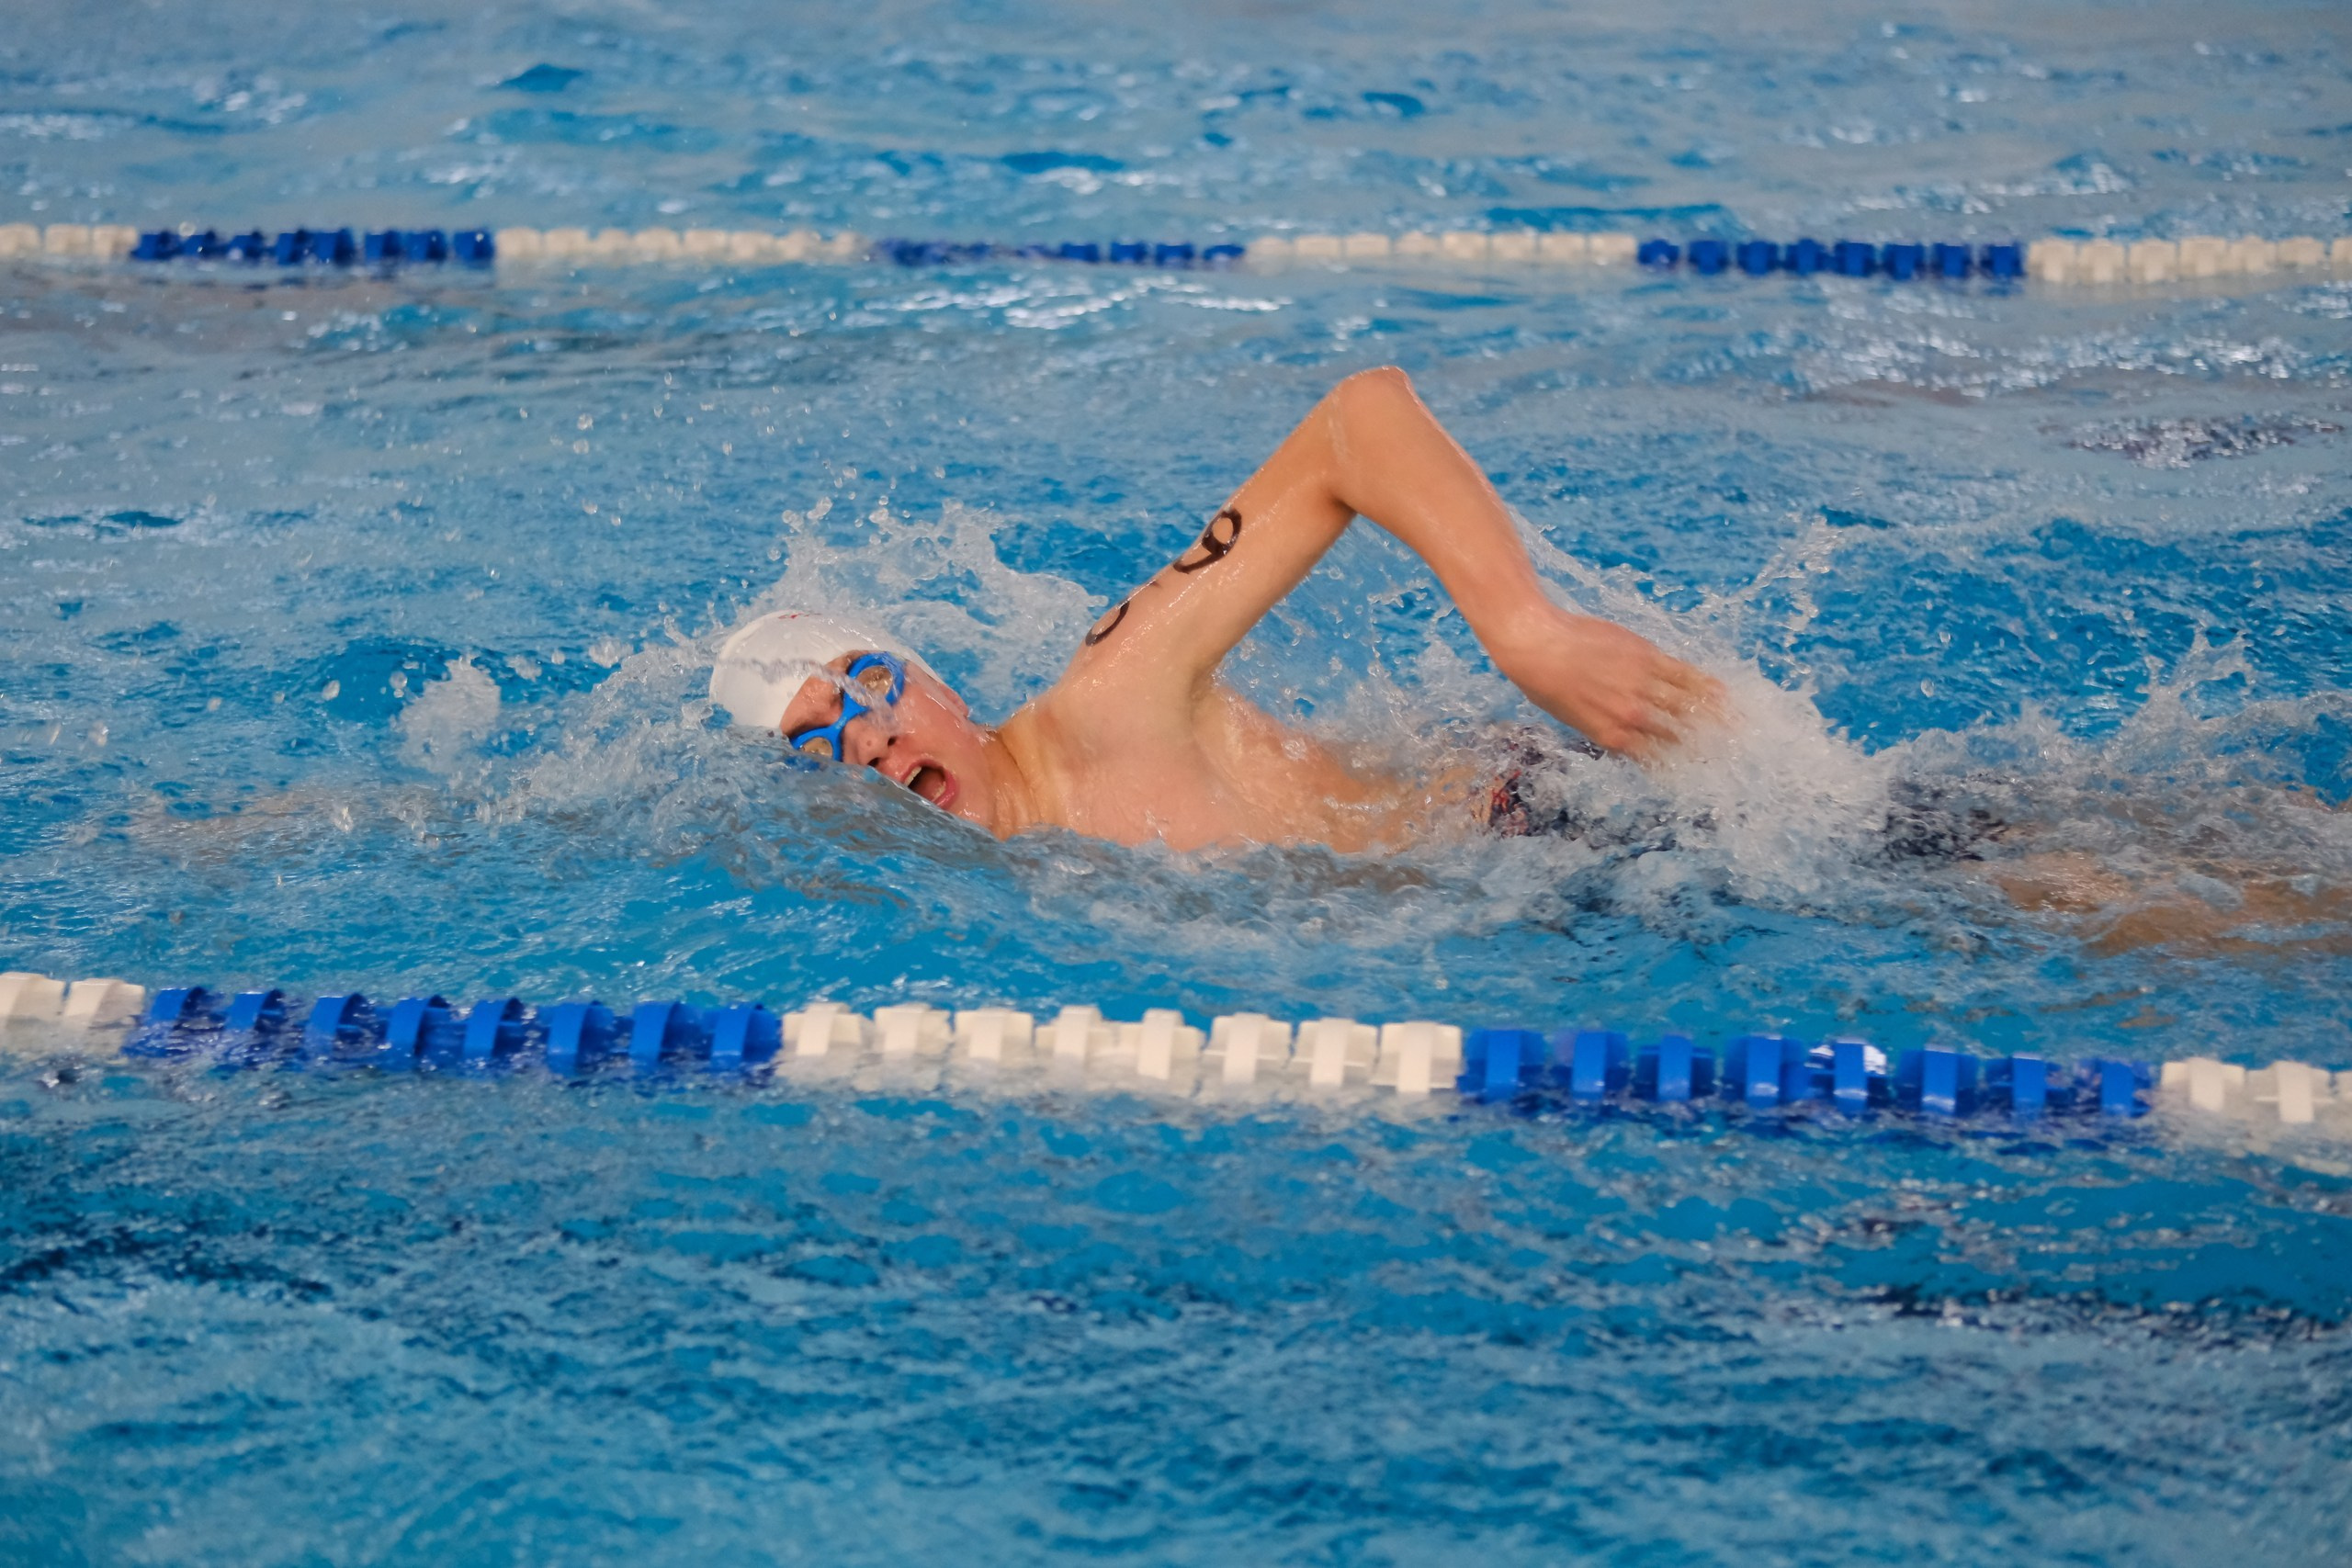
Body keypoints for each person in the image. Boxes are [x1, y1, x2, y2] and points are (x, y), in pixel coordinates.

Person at [709, 366, 1725, 853]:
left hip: (1561, 824)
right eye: (813, 741)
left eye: (868, 686)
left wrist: (1528, 632)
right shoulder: (1004, 874)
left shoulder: (1111, 697)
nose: (866, 740)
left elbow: (1358, 424)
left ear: (939, 687)